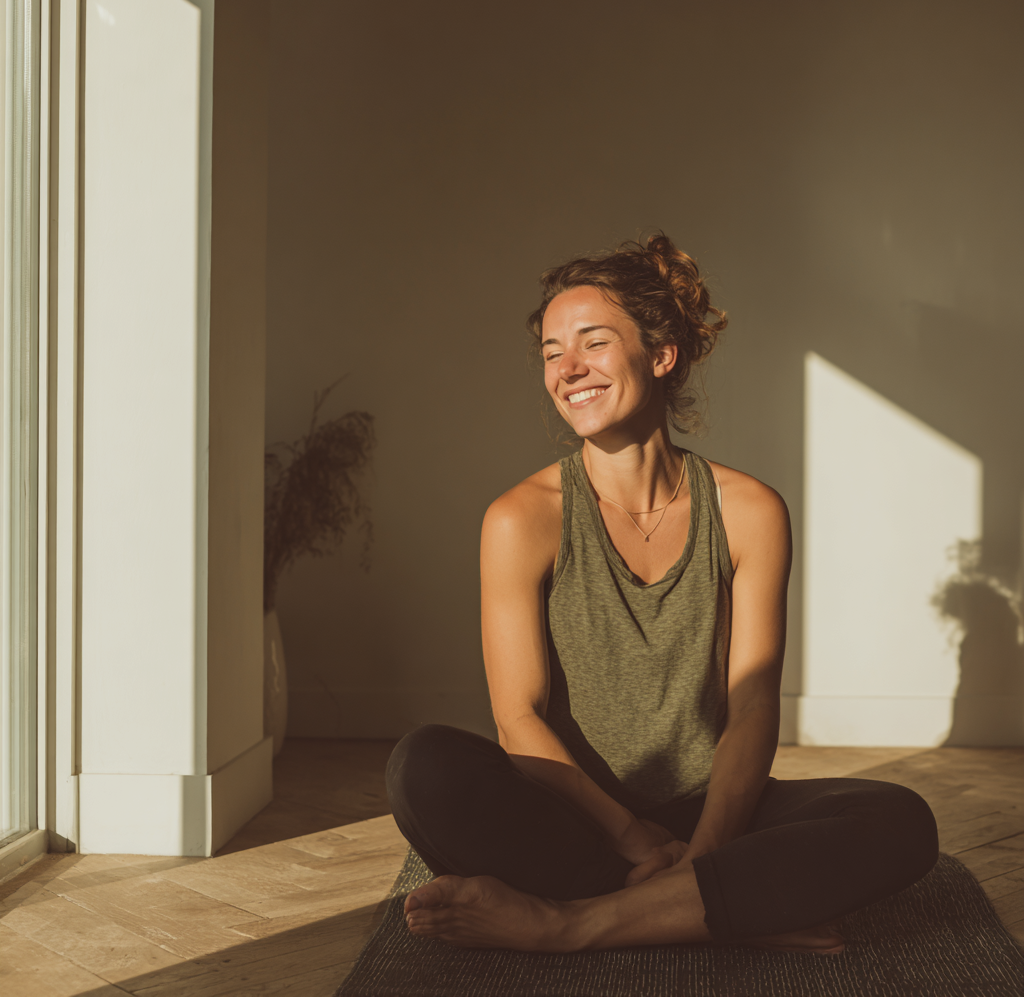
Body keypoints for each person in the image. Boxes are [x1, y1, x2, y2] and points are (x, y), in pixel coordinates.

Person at [385, 234, 938, 954]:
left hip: (720, 812)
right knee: (422, 767)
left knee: (900, 820)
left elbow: (753, 706)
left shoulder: (749, 512)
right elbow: (518, 719)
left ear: (662, 353)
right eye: (553, 352)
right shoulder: (521, 519)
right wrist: (633, 836)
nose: (568, 369)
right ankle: (722, 911)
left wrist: (705, 851)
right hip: (580, 817)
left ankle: (571, 922)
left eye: (592, 343)